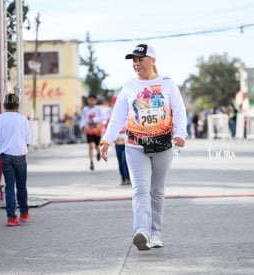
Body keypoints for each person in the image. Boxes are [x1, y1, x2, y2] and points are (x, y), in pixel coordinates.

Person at [99, 44, 187, 251]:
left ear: (153, 60)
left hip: (163, 145)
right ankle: (141, 231)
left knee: (157, 191)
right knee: (140, 189)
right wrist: (106, 140)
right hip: (135, 146)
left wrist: (181, 133)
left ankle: (155, 233)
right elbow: (117, 117)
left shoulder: (167, 84)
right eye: (134, 61)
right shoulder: (129, 86)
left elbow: (179, 110)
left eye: (140, 60)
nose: (136, 64)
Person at [0, 94, 32, 227]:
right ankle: (24, 212)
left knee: (9, 186)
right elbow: (28, 140)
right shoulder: (22, 119)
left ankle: (11, 217)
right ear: (18, 106)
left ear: (4, 105)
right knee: (21, 186)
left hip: (5, 156)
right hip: (20, 156)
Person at [80, 94, 104, 171]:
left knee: (96, 146)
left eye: (93, 100)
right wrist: (82, 126)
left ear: (95, 101)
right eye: (90, 100)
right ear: (88, 101)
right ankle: (91, 162)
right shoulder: (85, 109)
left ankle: (98, 152)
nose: (91, 102)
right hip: (88, 130)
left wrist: (94, 120)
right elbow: (83, 118)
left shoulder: (98, 109)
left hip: (97, 130)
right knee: (91, 146)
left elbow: (102, 117)